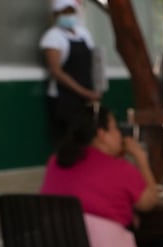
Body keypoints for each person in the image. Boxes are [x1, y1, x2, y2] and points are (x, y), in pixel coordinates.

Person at [41, 107, 162, 247]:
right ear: (102, 134)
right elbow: (149, 201)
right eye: (115, 128)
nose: (120, 135)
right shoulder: (119, 168)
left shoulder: (56, 162)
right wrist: (140, 157)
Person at [40, 0, 99, 149]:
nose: (68, 16)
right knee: (67, 142)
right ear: (56, 15)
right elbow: (56, 71)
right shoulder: (52, 37)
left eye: (70, 12)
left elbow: (94, 62)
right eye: (64, 12)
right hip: (64, 100)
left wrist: (95, 90)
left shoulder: (83, 33)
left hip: (86, 100)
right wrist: (83, 92)